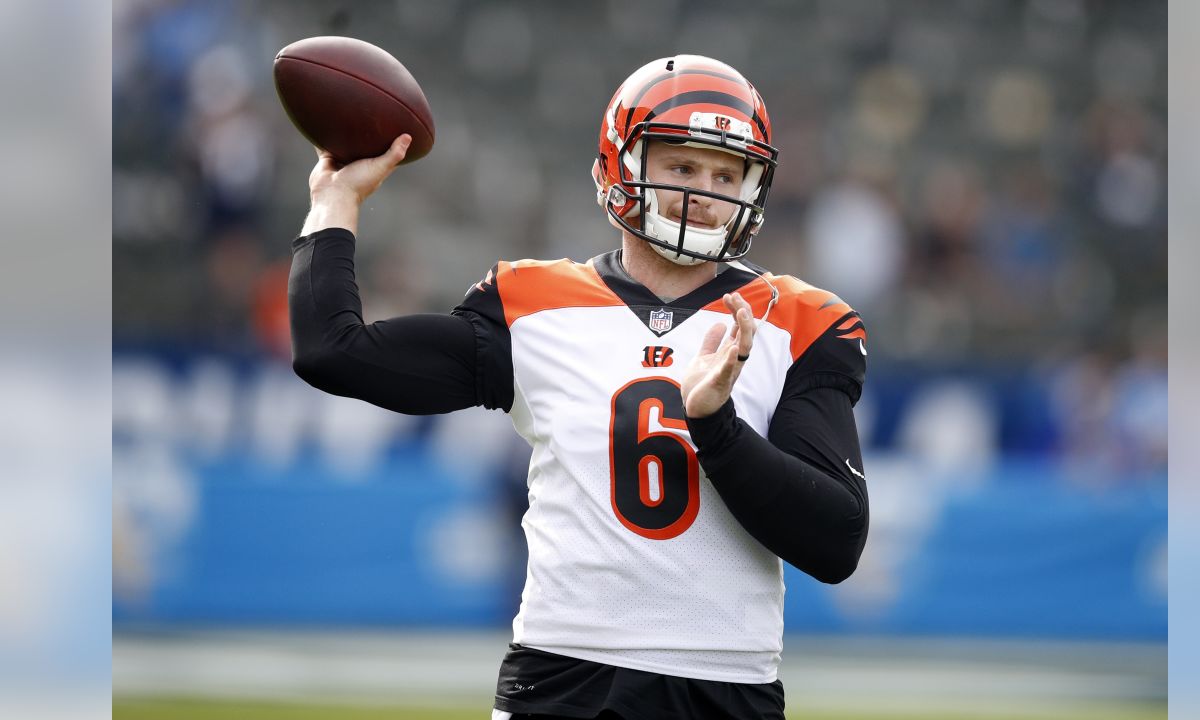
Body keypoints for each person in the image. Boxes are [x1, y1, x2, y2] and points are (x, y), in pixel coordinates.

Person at [289, 55, 869, 720]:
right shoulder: (534, 303)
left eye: (726, 173)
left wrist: (717, 428)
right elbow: (334, 353)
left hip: (725, 683)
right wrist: (335, 201)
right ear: (619, 168)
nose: (706, 191)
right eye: (682, 166)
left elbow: (836, 543)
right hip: (563, 679)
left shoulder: (799, 321)